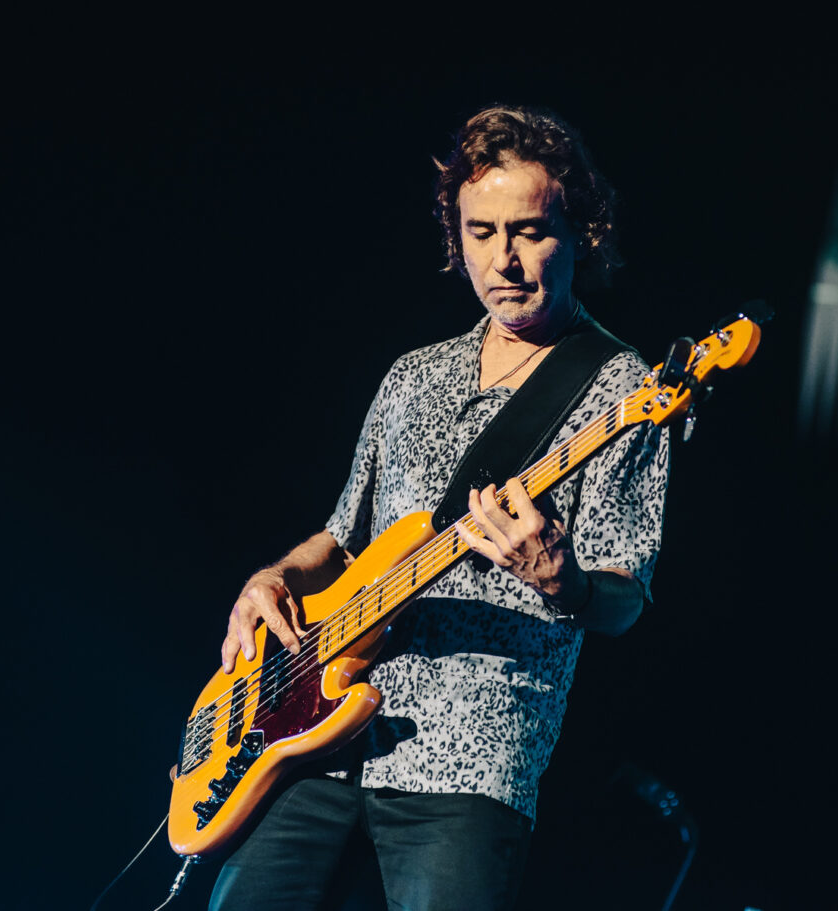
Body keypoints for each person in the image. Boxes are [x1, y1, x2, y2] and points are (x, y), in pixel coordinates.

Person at [208, 105, 670, 911]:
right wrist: (272, 575)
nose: (505, 260)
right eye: (480, 232)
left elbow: (626, 592)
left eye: (529, 231)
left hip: (470, 759)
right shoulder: (413, 374)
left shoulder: (623, 387)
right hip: (312, 738)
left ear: (583, 233)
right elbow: (341, 535)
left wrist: (565, 583)